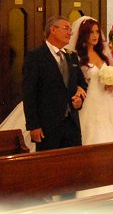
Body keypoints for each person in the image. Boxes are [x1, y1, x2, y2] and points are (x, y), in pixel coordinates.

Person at [22, 16, 87, 151]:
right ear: (53, 30)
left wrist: (79, 99)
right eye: (66, 28)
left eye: (70, 29)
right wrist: (33, 125)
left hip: (71, 123)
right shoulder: (36, 56)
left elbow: (81, 83)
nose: (70, 32)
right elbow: (29, 93)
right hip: (48, 125)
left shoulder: (71, 56)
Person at [73, 17, 113, 145]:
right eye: (91, 32)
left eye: (97, 32)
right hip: (88, 100)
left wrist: (111, 84)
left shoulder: (102, 54)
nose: (95, 35)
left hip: (105, 100)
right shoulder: (77, 56)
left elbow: (109, 74)